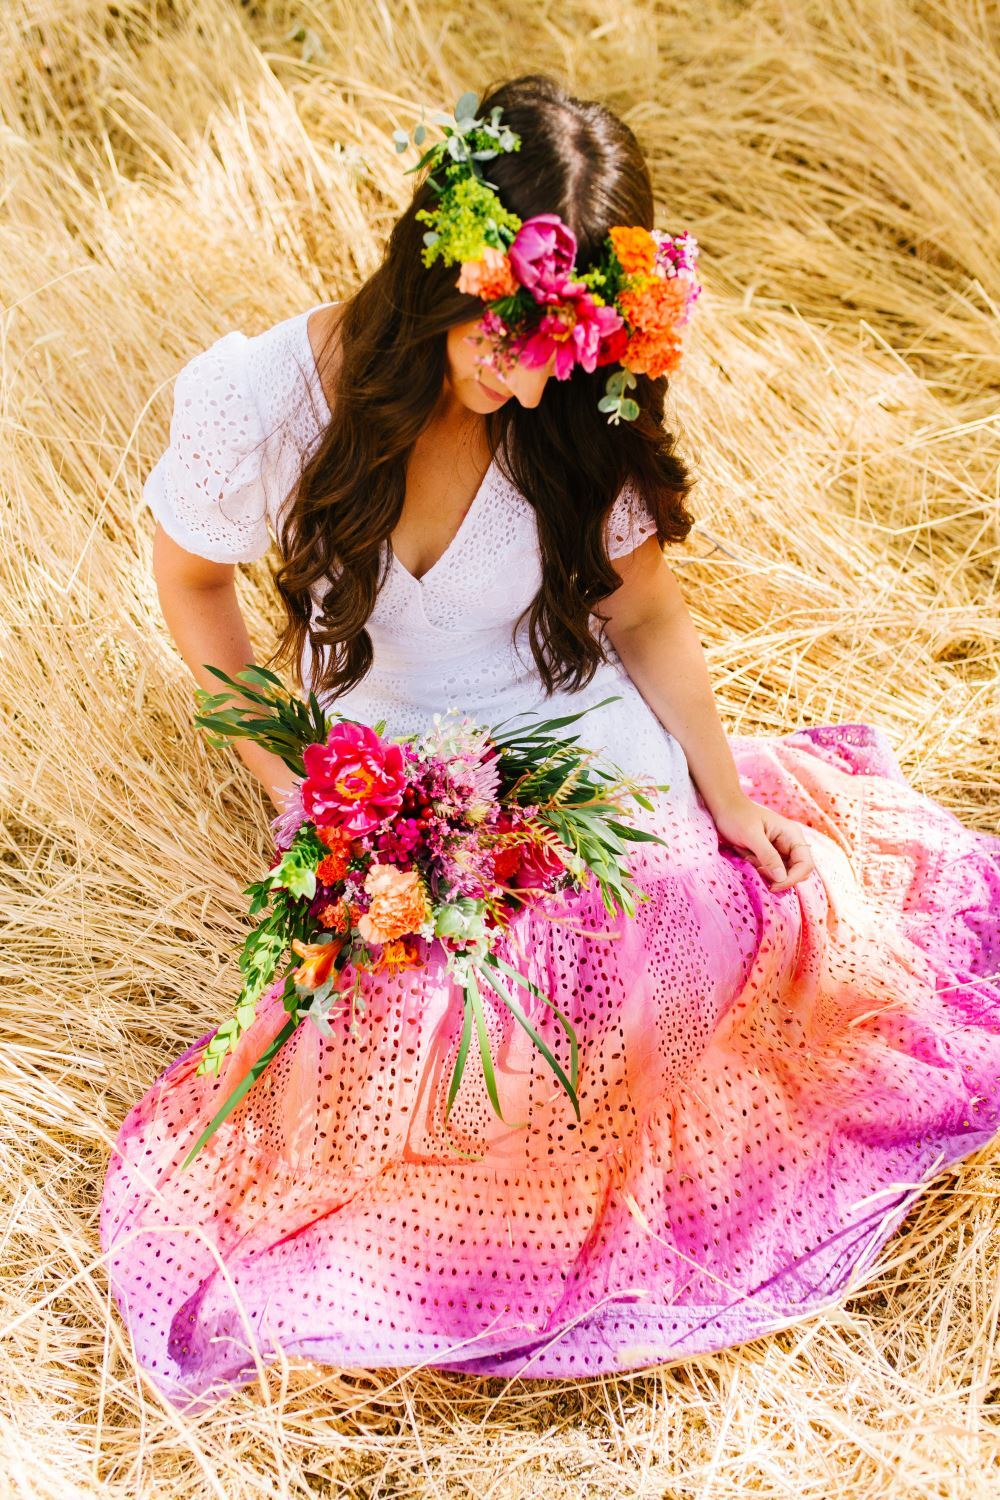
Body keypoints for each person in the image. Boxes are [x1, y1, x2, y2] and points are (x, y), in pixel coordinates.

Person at [100, 73, 1000, 1409]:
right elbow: (191, 584)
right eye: (495, 330)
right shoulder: (268, 402)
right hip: (393, 743)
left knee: (676, 929)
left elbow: (643, 612)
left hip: (567, 707)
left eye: (554, 347)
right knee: (443, 1017)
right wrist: (288, 774)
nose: (521, 370)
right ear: (437, 267)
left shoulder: (569, 415)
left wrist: (722, 789)